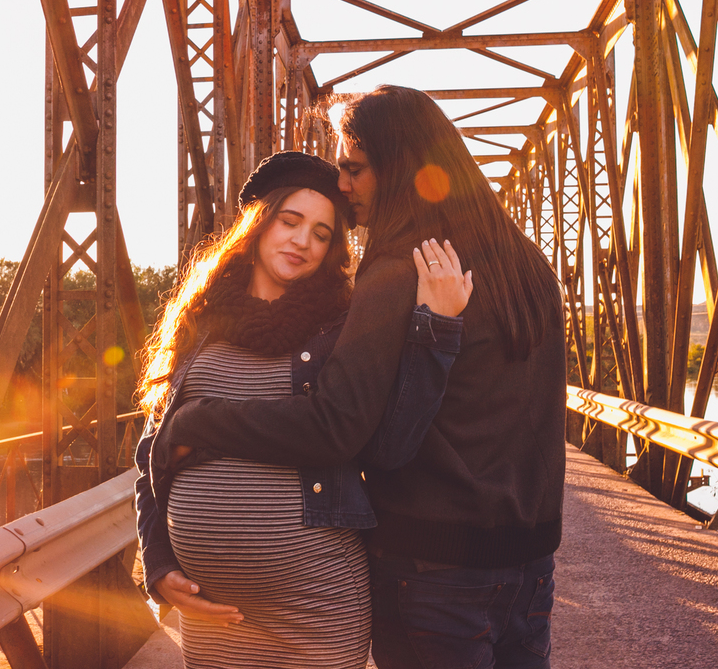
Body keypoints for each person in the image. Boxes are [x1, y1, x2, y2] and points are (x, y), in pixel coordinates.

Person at [157, 86, 567, 669]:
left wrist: (199, 420)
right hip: (529, 565)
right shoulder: (527, 266)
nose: (342, 185)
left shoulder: (401, 267)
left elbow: (345, 428)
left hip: (434, 567)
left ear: (396, 164)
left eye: (353, 168)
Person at [133, 150, 471, 668]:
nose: (302, 241)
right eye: (290, 222)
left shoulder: (342, 327)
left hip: (317, 598)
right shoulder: (198, 324)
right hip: (215, 611)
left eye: (321, 233)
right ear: (258, 224)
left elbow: (383, 436)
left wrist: (437, 327)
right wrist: (157, 563)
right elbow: (152, 457)